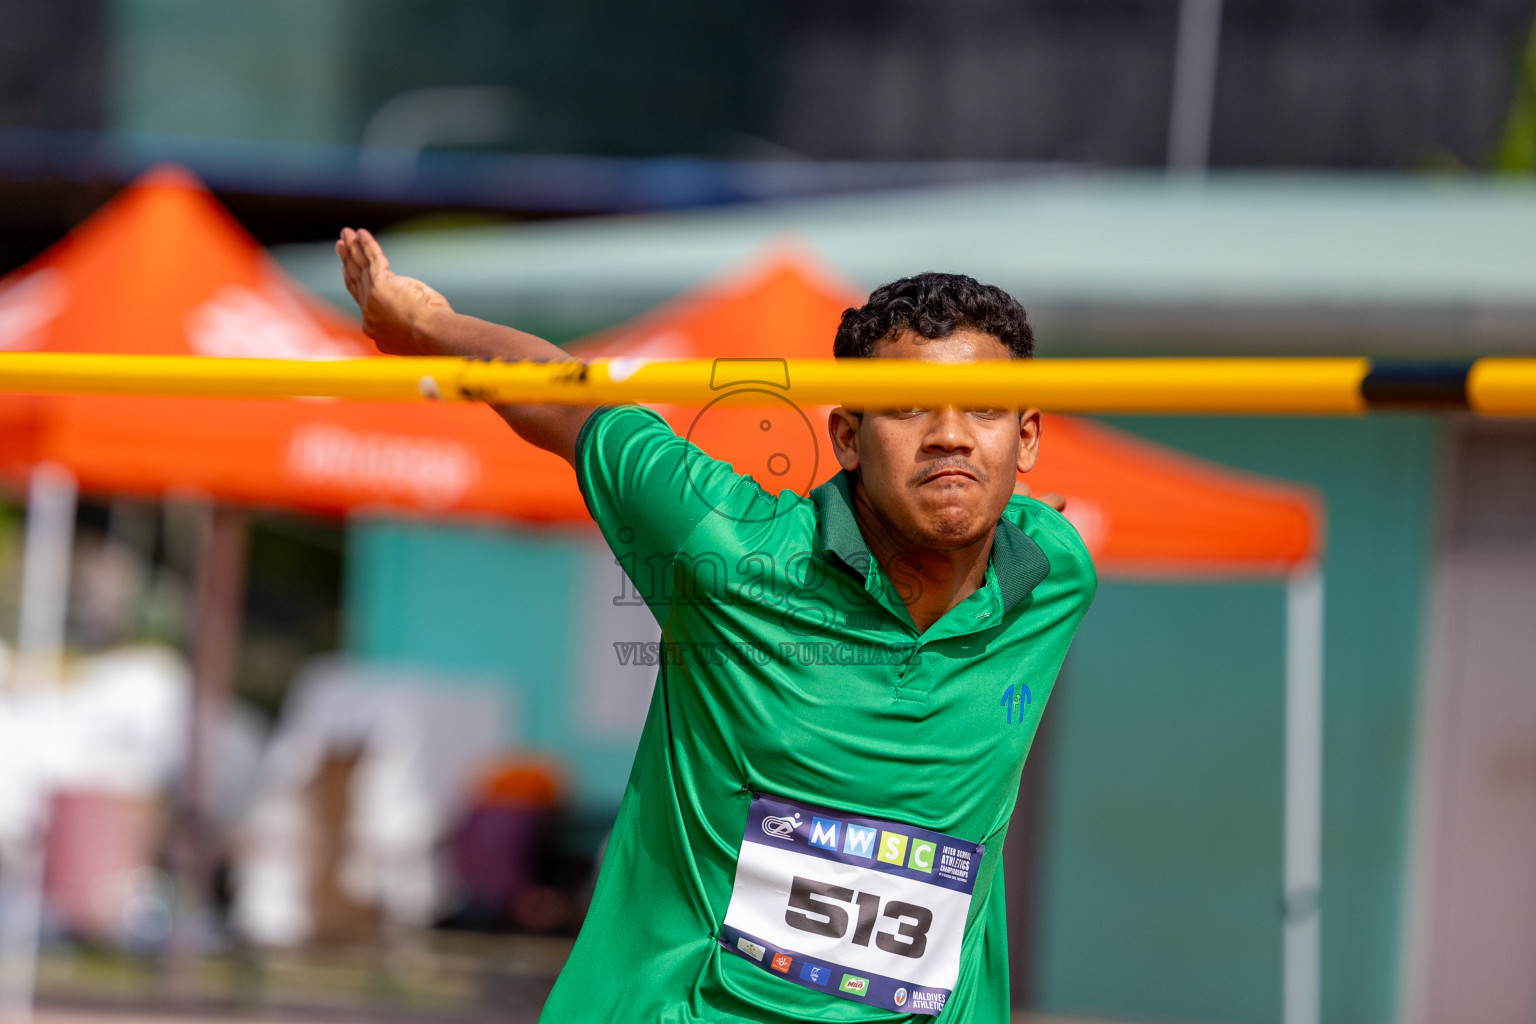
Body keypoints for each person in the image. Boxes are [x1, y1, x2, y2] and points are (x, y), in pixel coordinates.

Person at [335, 229, 1096, 1022]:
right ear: (846, 437)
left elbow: (1026, 521)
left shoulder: (1053, 573)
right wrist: (419, 326)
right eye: (907, 408)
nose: (949, 434)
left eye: (984, 410)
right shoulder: (726, 546)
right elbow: (566, 399)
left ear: (1028, 437)